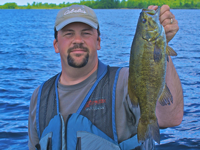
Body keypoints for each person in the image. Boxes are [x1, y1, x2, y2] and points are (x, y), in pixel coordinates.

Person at [28, 4, 183, 150]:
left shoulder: (124, 80)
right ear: (56, 45)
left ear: (98, 42)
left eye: (86, 33)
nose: (78, 40)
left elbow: (171, 118)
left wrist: (161, 47)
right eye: (68, 34)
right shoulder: (40, 97)